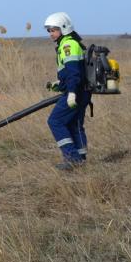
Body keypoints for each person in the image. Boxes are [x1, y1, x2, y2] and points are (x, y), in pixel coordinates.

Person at [43, 12, 91, 171]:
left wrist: (71, 93)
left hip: (76, 92)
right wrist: (59, 84)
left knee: (55, 121)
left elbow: (73, 73)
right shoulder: (72, 43)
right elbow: (73, 73)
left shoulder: (67, 45)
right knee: (74, 124)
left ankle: (72, 159)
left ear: (63, 28)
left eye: (53, 30)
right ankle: (81, 158)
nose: (51, 33)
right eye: (49, 30)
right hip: (83, 91)